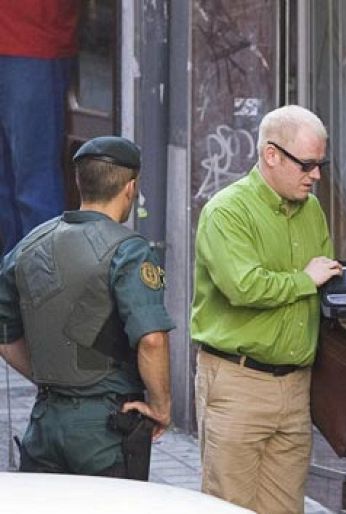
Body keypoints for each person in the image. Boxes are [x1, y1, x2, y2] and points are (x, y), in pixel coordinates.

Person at [191, 105, 342, 514]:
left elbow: (324, 278)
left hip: (296, 385)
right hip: (238, 380)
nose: (316, 176)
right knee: (229, 506)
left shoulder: (311, 210)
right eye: (308, 165)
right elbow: (242, 286)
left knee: (286, 507)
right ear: (271, 155)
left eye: (320, 164)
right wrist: (304, 280)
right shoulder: (227, 211)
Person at [0, 136, 173, 479]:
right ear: (130, 187)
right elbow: (151, 339)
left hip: (45, 423)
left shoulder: (29, 243)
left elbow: (5, 338)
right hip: (105, 429)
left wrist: (52, 380)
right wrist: (161, 407)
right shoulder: (130, 250)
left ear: (80, 181)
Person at [0, 1, 79, 254]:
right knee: (11, 187)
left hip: (31, 40)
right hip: (25, 40)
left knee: (34, 185)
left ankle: (43, 284)